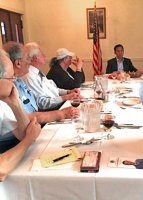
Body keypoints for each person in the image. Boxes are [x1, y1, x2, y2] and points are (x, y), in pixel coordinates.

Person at [3, 41, 80, 124]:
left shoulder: (19, 81)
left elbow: (51, 90)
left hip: (39, 120)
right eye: (27, 58)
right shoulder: (11, 86)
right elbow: (25, 118)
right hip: (41, 119)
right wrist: (61, 113)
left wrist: (67, 93)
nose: (30, 62)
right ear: (18, 63)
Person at [0, 50, 41, 180]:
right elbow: (1, 169)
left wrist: (15, 103)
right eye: (11, 77)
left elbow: (23, 133)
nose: (14, 82)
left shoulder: (2, 102)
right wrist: (28, 141)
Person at [22, 42, 83, 111]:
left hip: (56, 105)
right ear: (36, 58)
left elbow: (53, 89)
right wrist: (65, 97)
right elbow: (42, 103)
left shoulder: (37, 72)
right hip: (50, 111)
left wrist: (68, 92)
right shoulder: (30, 76)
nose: (45, 56)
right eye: (42, 54)